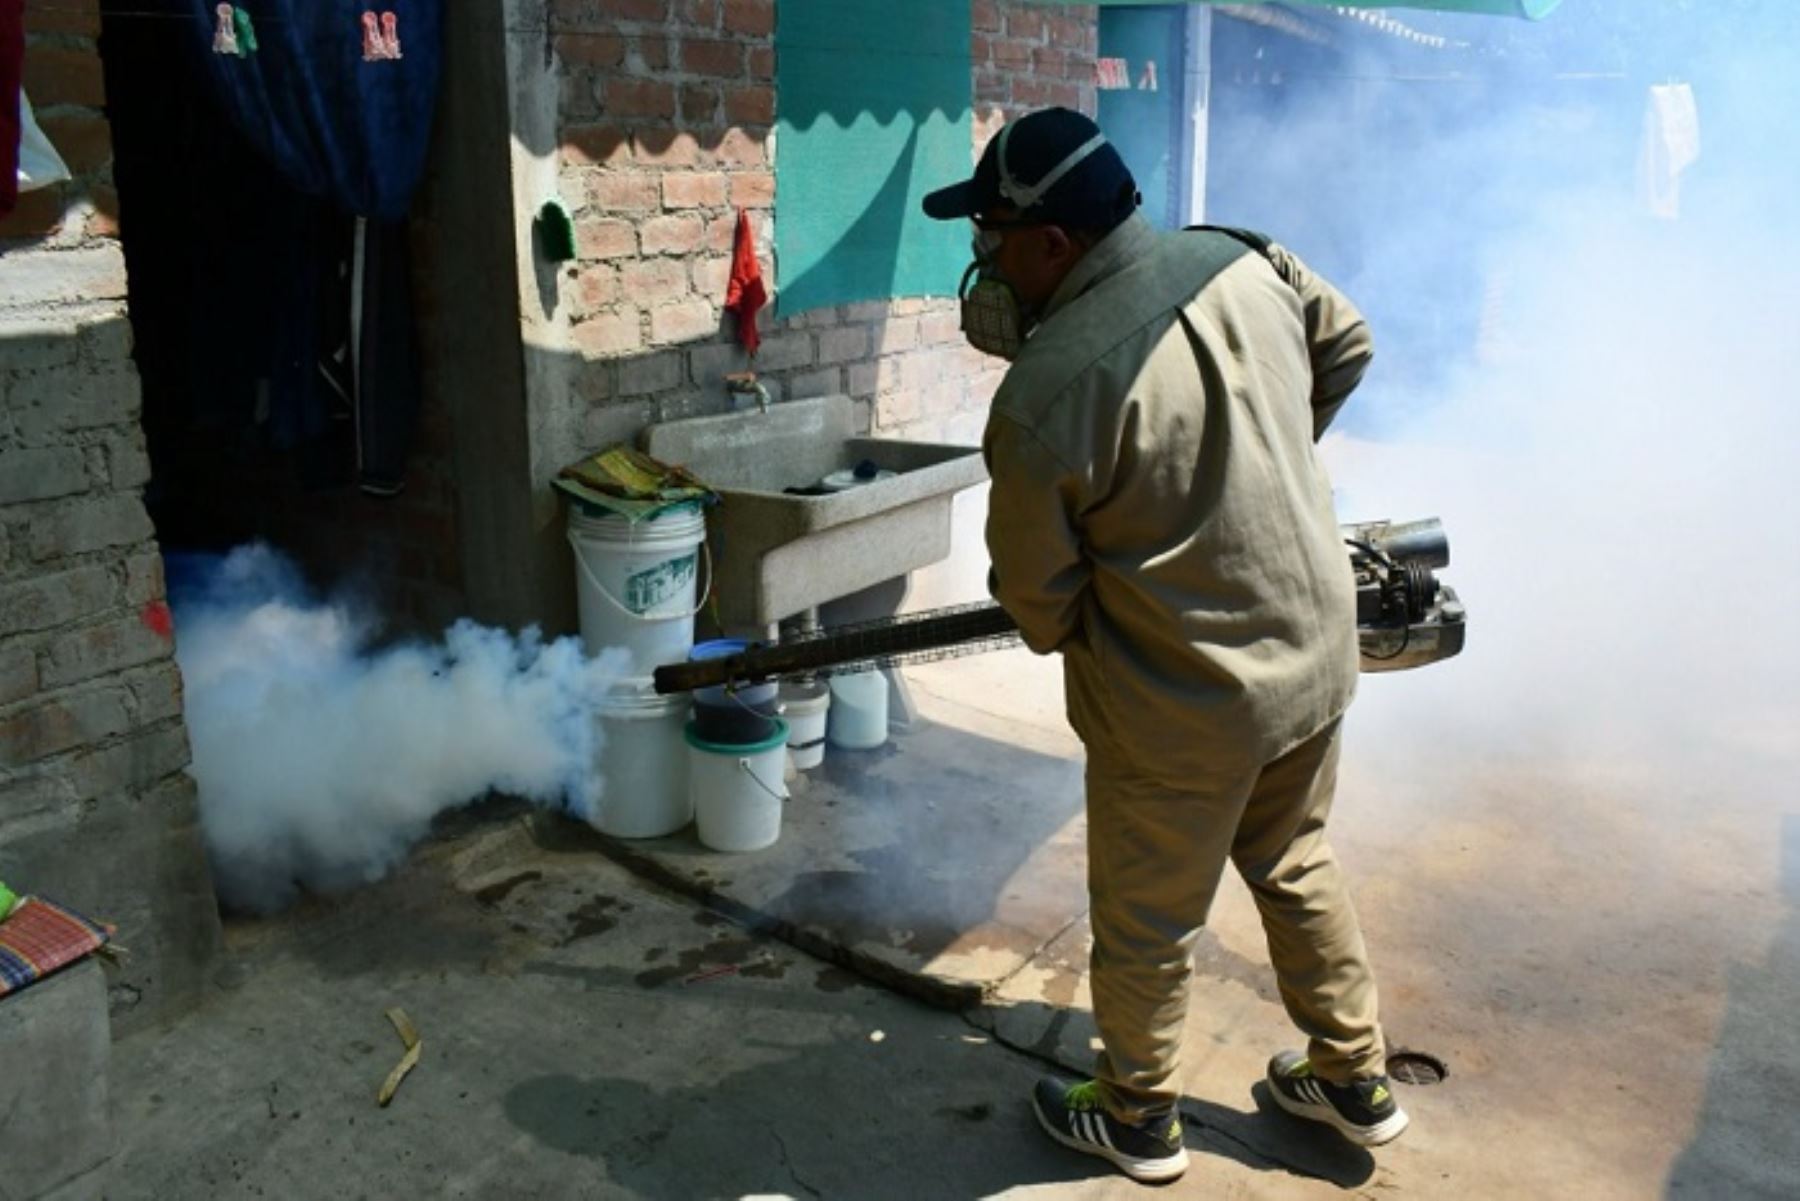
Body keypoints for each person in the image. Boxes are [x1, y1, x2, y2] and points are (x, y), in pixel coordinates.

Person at [921, 108, 1407, 1184]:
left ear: (1052, 245)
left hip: (1184, 705)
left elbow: (1040, 607)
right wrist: (1263, 457)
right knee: (1294, 859)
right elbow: (1351, 342)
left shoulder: (1043, 398)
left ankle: (1137, 1112)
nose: (985, 262)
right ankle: (1352, 1075)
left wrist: (1144, 580)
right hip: (1316, 655)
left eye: (992, 237)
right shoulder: (1245, 259)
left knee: (1146, 919)